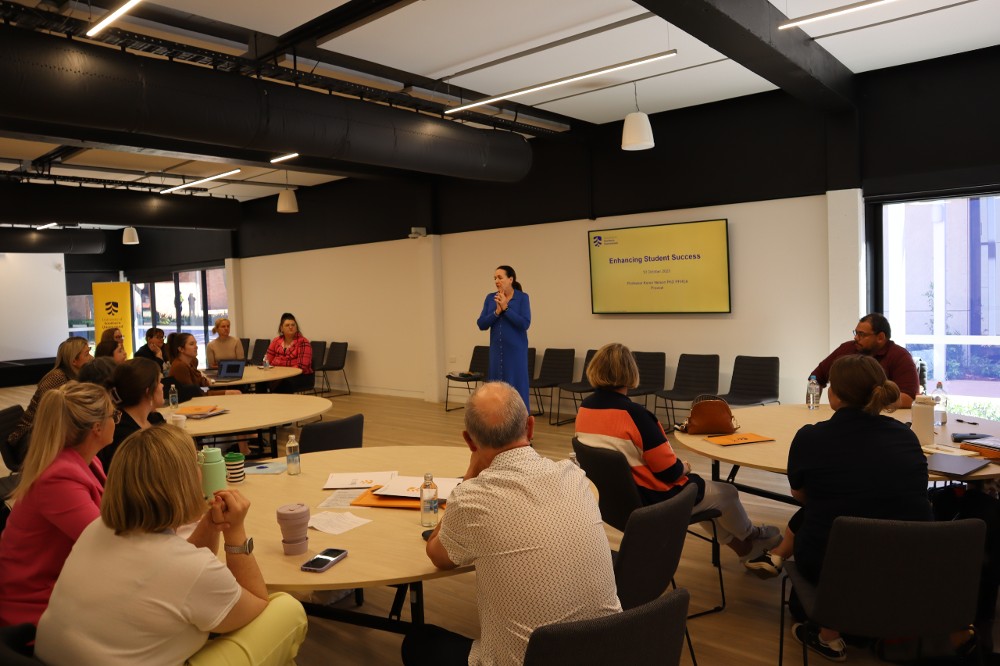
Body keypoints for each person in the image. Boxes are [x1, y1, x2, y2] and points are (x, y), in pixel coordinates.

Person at [35, 426, 308, 665]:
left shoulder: (99, 528)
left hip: (50, 658)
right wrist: (235, 532)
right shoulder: (185, 566)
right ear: (182, 483)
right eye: (196, 463)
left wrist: (211, 525)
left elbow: (175, 571)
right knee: (284, 608)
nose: (201, 471)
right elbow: (256, 605)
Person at [402, 382, 621, 666]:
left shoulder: (472, 498)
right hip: (612, 651)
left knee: (418, 643)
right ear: (530, 428)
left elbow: (437, 555)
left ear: (470, 442)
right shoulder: (575, 476)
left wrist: (469, 477)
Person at [773, 354, 930, 661]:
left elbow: (802, 496)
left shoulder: (811, 437)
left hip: (832, 561)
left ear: (834, 395)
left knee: (821, 513)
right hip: (906, 559)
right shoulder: (906, 435)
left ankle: (827, 635)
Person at [574, 343, 781, 563]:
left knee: (705, 494)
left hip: (614, 503)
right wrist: (685, 466)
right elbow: (670, 473)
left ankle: (747, 551)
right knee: (726, 493)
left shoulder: (585, 409)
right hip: (654, 501)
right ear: (630, 372)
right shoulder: (635, 415)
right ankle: (753, 535)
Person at [0, 382, 116, 626]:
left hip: (65, 587)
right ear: (97, 428)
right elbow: (107, 543)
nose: (116, 420)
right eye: (113, 415)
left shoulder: (87, 460)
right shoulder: (58, 478)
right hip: (36, 608)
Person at [6, 336, 93, 469]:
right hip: (30, 442)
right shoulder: (57, 377)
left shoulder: (74, 376)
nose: (91, 358)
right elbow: (49, 417)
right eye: (87, 354)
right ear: (74, 361)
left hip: (44, 436)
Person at [811, 313, 919, 408]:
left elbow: (909, 398)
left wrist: (866, 402)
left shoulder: (900, 356)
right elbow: (815, 379)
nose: (856, 338)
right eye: (856, 333)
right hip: (847, 417)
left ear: (880, 337)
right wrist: (812, 408)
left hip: (882, 419)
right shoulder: (847, 349)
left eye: (862, 334)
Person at [476, 265, 531, 409]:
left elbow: (524, 323)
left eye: (500, 277)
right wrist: (496, 312)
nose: (496, 280)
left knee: (517, 386)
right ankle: (497, 420)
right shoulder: (490, 298)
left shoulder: (522, 298)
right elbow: (481, 324)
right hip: (496, 351)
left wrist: (506, 308)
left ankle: (521, 421)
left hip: (516, 352)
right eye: (494, 278)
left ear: (510, 279)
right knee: (496, 387)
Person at [98, 358, 166, 472]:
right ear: (148, 392)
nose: (162, 386)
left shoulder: (155, 419)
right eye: (159, 381)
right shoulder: (121, 434)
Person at [167, 332, 239, 398]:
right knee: (234, 393)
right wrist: (225, 392)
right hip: (192, 404)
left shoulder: (191, 363)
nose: (196, 347)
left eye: (196, 343)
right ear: (181, 349)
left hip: (198, 399)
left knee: (235, 392)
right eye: (192, 344)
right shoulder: (180, 366)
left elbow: (200, 385)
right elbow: (195, 394)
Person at [264, 313, 314, 393]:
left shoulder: (303, 342)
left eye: (293, 325)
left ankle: (282, 404)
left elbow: (302, 366)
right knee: (261, 382)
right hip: (278, 373)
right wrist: (267, 370)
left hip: (300, 376)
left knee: (283, 384)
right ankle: (263, 404)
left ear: (296, 327)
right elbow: (267, 360)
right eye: (287, 325)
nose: (291, 327)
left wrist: (282, 372)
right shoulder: (276, 341)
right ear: (281, 328)